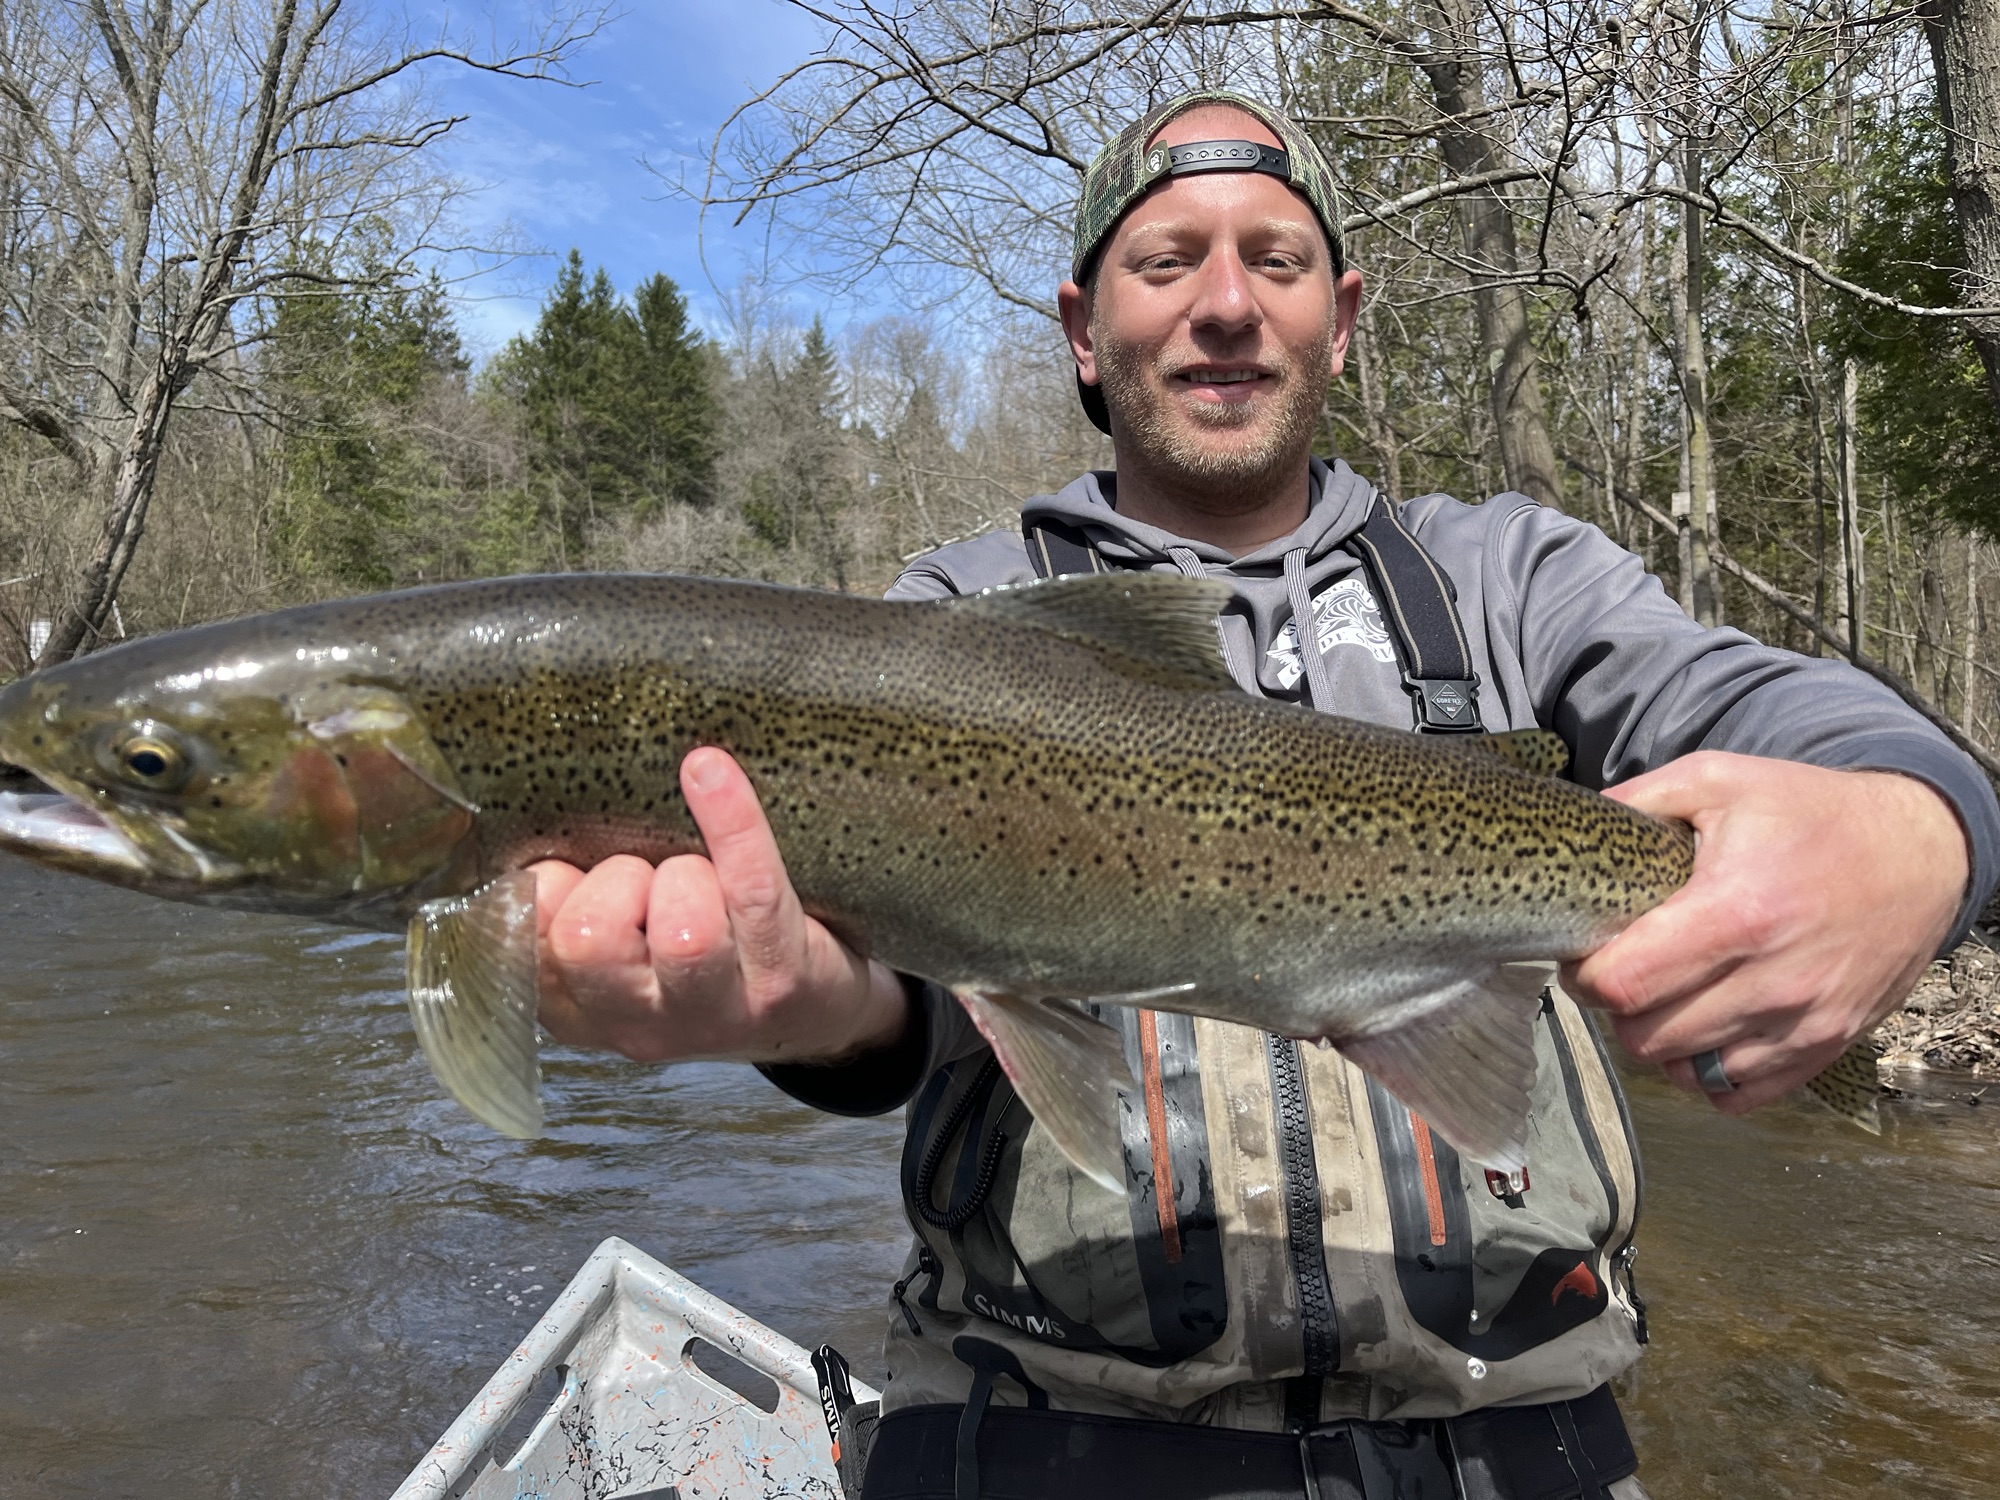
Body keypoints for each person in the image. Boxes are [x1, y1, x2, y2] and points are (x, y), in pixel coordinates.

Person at [527, 91, 2000, 1500]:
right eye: (1167, 261)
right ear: (1084, 330)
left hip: (1515, 1443)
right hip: (1047, 1443)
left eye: (1276, 260)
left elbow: (1784, 717)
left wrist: (1917, 829)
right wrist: (803, 1016)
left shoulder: (1509, 580)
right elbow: (892, 998)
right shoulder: (947, 627)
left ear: (1339, 320)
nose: (1226, 303)